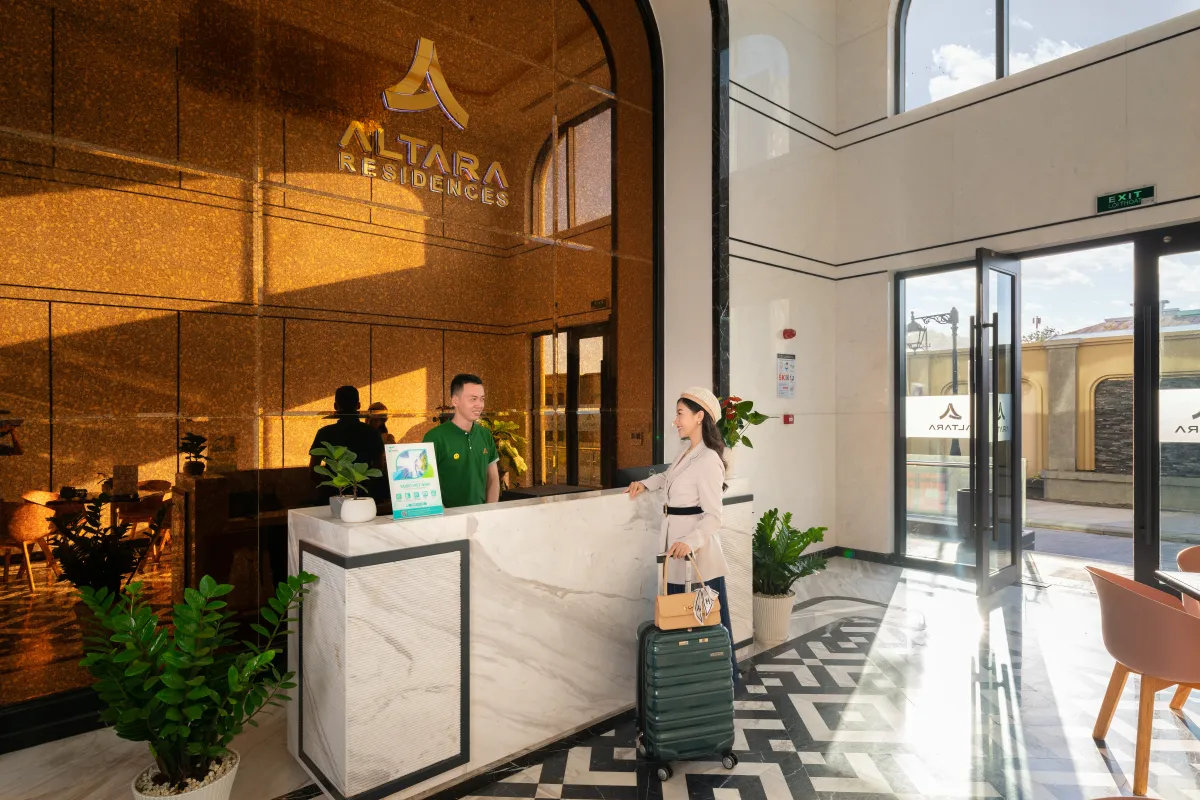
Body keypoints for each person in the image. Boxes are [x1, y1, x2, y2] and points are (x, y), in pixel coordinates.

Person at [626, 386, 739, 689]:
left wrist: (690, 541)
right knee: (679, 623)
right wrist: (645, 484)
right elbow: (668, 477)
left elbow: (714, 517)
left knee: (703, 625)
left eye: (680, 413)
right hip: (675, 554)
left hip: (696, 559)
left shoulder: (709, 460)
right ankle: (685, 687)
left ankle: (715, 687)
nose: (675, 421)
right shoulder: (687, 452)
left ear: (699, 416)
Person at [423, 374, 500, 508]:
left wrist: (490, 511)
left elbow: (493, 479)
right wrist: (446, 516)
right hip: (447, 517)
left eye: (482, 399)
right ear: (455, 401)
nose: (479, 405)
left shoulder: (485, 435)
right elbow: (425, 484)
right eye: (473, 399)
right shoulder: (434, 438)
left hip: (482, 516)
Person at [308, 386, 387, 505]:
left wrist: (330, 489)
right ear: (358, 405)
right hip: (363, 496)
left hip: (333, 496)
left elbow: (313, 470)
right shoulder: (371, 433)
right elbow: (379, 467)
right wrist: (363, 487)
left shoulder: (325, 433)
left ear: (335, 406)